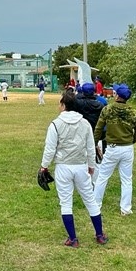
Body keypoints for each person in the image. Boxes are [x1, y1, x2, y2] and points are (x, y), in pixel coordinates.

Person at [39, 90, 108, 247]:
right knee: (90, 200)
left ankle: (73, 239)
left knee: (66, 202)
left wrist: (44, 166)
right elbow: (91, 147)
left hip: (63, 167)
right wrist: (91, 165)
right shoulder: (84, 123)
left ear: (63, 105)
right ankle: (99, 235)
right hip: (81, 166)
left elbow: (50, 149)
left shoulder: (55, 124)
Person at [93, 83, 136, 216]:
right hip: (127, 148)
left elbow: (98, 128)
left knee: (103, 177)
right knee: (127, 179)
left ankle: (96, 206)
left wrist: (94, 143)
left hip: (112, 148)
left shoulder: (107, 110)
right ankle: (125, 208)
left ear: (117, 96)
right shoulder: (133, 112)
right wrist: (130, 141)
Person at [75, 82, 106, 183]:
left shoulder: (79, 104)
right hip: (96, 135)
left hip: (81, 135)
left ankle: (83, 182)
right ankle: (95, 183)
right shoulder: (100, 105)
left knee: (81, 159)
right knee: (96, 160)